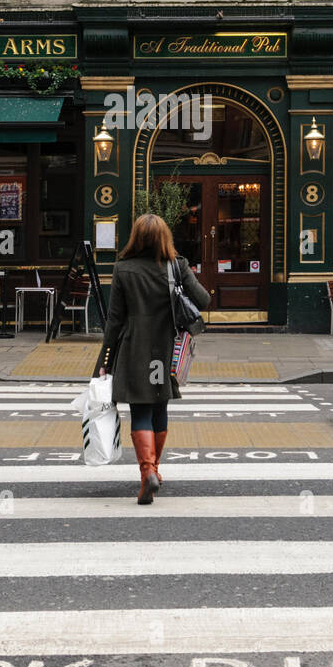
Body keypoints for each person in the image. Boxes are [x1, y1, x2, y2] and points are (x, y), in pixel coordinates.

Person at [94, 213, 210, 504]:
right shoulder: (177, 265)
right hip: (167, 350)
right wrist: (181, 274)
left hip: (134, 349)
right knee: (160, 407)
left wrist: (103, 360)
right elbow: (204, 300)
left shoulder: (122, 269)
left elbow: (114, 320)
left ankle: (147, 472)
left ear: (135, 237)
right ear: (164, 238)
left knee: (141, 411)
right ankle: (154, 469)